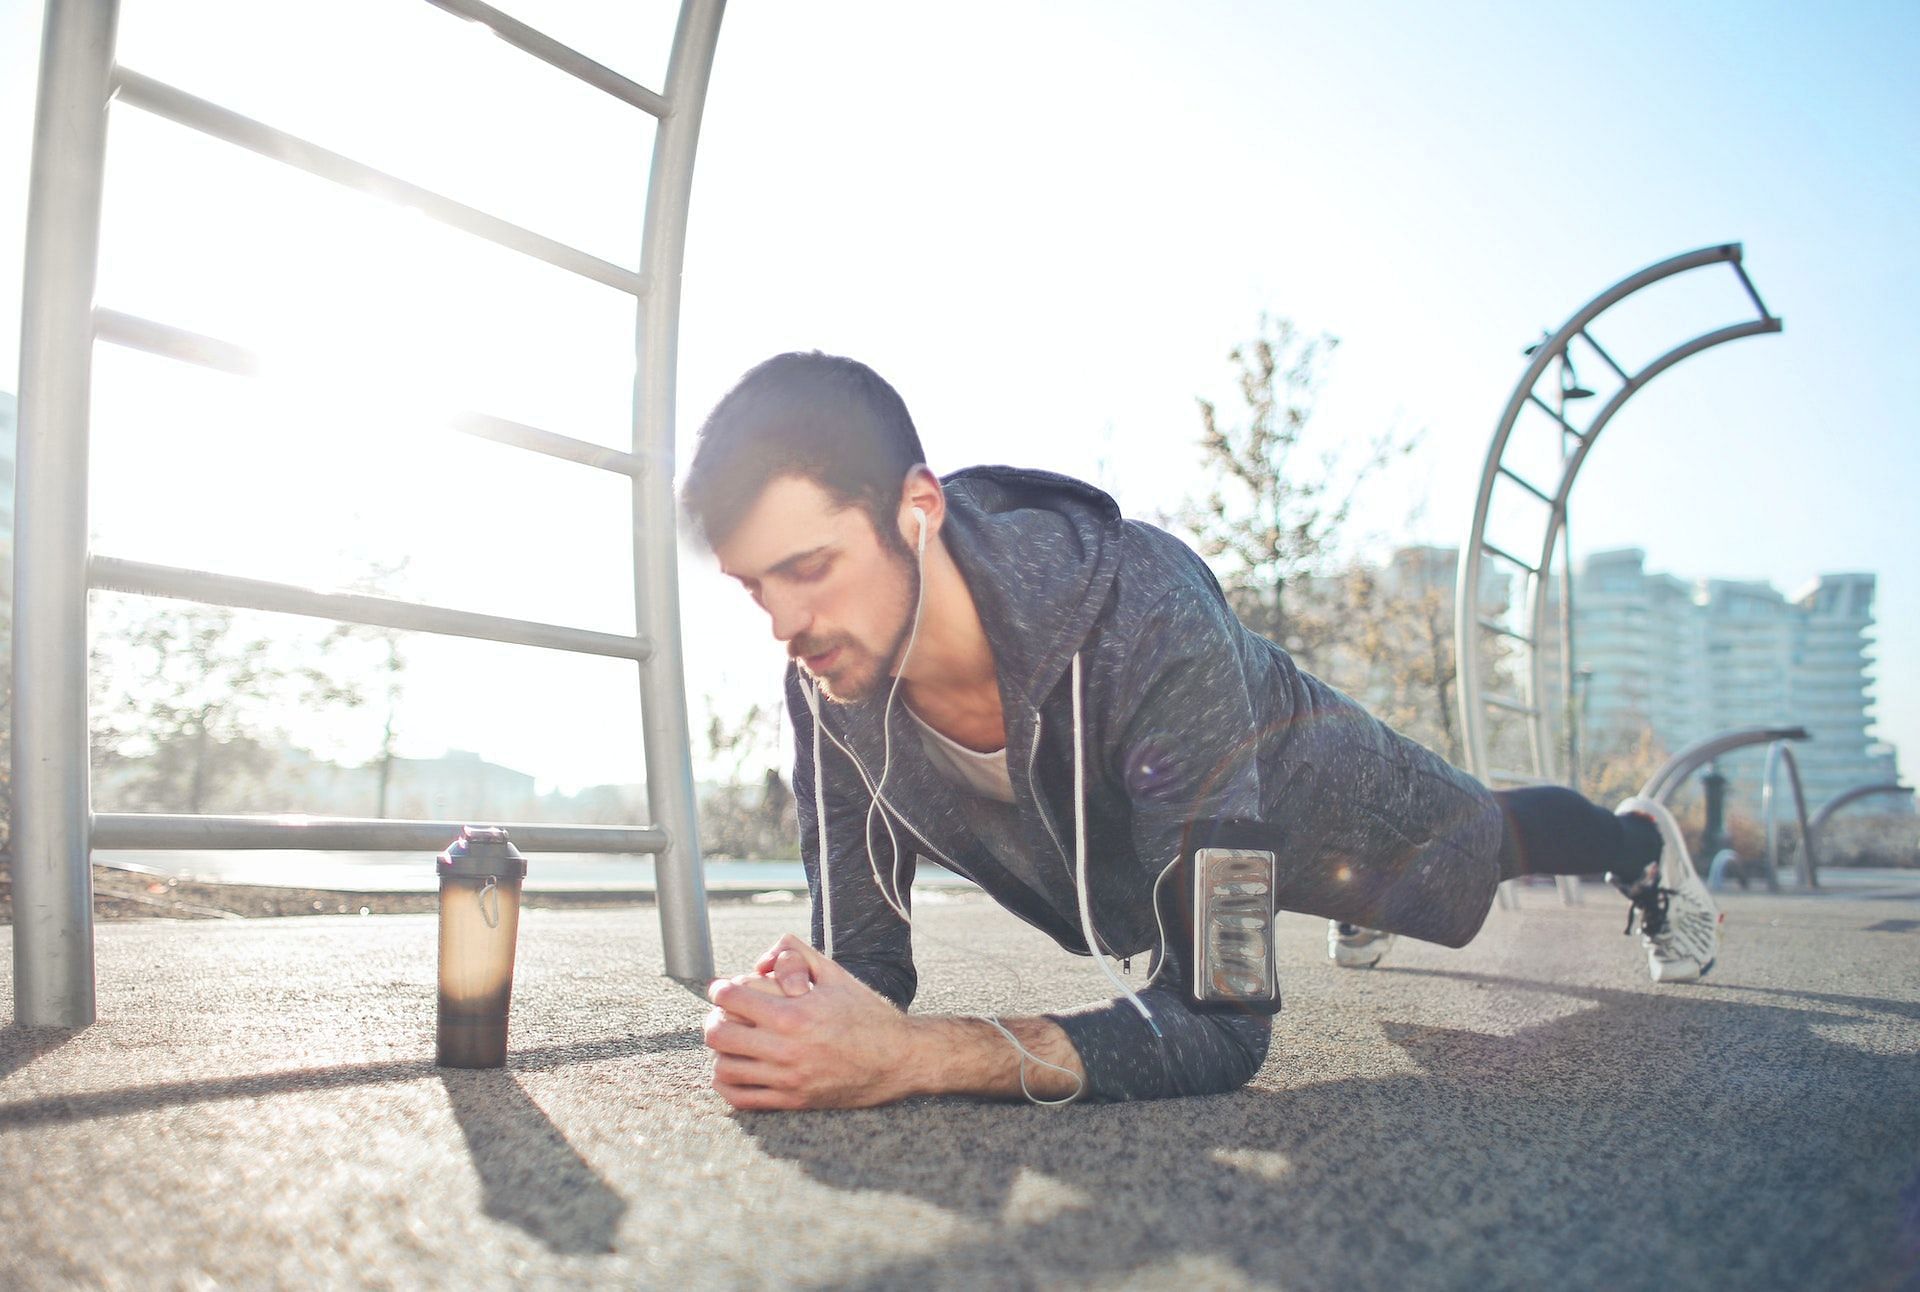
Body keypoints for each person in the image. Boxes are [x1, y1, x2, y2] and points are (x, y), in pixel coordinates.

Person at [682, 352, 1720, 1110]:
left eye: (810, 568)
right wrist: (800, 1018)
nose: (784, 624)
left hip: (1326, 801)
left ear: (918, 508)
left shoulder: (1146, 612)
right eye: (753, 587)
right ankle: (1349, 902)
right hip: (1184, 854)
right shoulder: (829, 678)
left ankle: (1640, 840)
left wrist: (917, 1054)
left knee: (1482, 848)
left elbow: (1220, 1022)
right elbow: (868, 961)